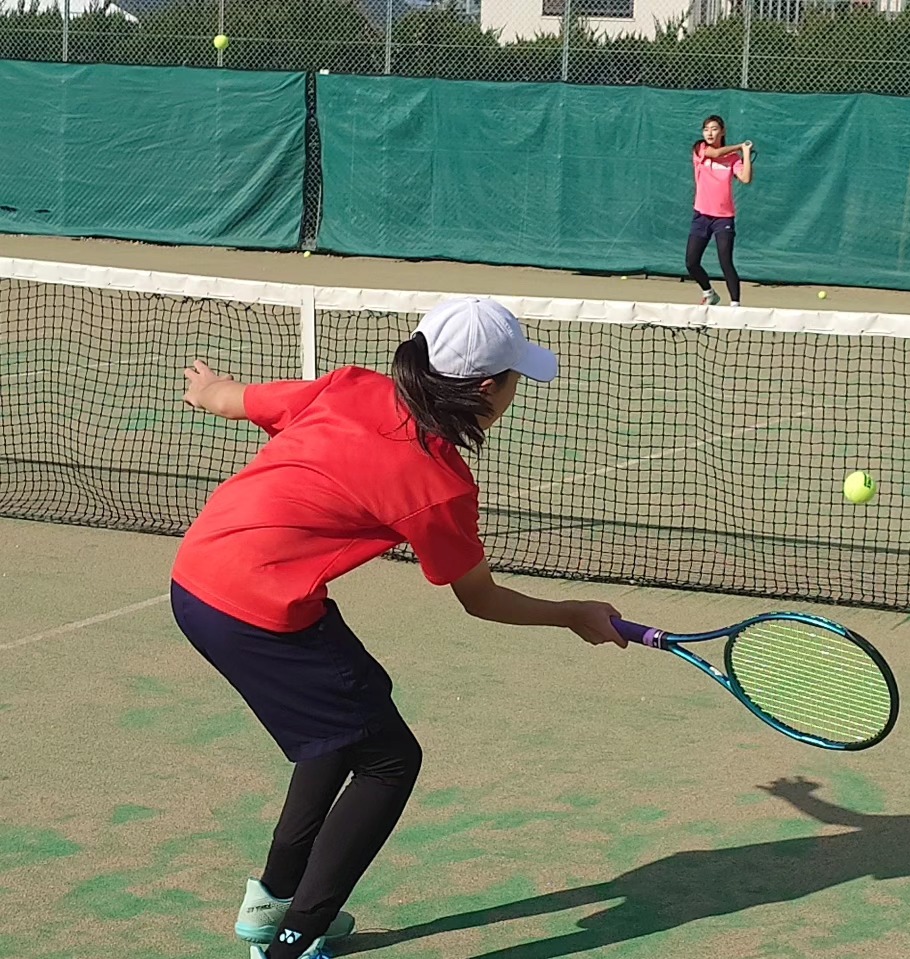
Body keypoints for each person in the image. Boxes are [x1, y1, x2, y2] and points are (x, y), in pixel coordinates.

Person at [170, 296, 628, 959]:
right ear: (487, 388)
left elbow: (228, 398)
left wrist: (210, 388)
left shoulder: (349, 387)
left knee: (350, 719)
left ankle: (272, 900)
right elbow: (479, 599)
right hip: (259, 613)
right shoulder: (439, 482)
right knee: (390, 760)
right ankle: (293, 940)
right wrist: (572, 614)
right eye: (515, 377)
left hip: (196, 580)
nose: (515, 390)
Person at [687, 114, 753, 307]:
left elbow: (746, 178)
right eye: (706, 129)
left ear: (722, 132)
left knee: (725, 262)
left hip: (724, 218)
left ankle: (735, 305)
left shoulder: (733, 159)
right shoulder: (700, 149)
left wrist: (746, 154)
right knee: (691, 262)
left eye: (714, 129)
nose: (709, 133)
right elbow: (715, 154)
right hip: (701, 216)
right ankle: (709, 293)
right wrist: (740, 146)